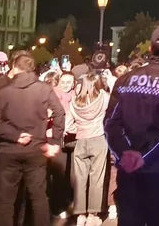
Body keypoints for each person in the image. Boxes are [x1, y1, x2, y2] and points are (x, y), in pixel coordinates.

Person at [103, 25, 159, 226]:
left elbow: (110, 124)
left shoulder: (125, 80)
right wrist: (145, 159)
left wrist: (125, 154)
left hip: (128, 171)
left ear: (150, 49)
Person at [0, 53, 65, 226]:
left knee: (6, 200)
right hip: (36, 149)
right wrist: (55, 142)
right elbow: (60, 112)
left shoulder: (3, 92)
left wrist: (14, 135)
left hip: (9, 150)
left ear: (14, 67)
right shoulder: (44, 89)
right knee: (38, 198)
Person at [69, 71, 109, 226]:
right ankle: (93, 214)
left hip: (81, 140)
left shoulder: (74, 102)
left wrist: (79, 128)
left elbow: (68, 125)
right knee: (97, 178)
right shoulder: (103, 98)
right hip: (98, 139)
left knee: (80, 179)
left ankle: (80, 214)